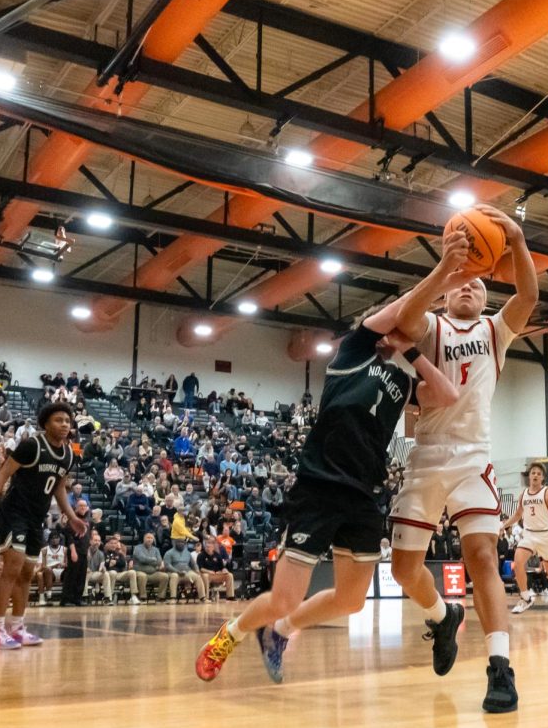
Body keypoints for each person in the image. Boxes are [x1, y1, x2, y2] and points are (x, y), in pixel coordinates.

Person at [195, 243, 464, 689]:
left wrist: (413, 352)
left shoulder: (404, 379)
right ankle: (230, 637)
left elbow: (448, 396)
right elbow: (401, 307)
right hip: (319, 485)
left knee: (351, 600)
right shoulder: (353, 352)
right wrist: (445, 277)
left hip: (363, 494)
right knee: (284, 598)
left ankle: (278, 635)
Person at [383, 205, 538, 713]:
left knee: (483, 559)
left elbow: (529, 295)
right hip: (426, 457)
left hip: (474, 459)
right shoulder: (430, 324)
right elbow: (404, 317)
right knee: (405, 571)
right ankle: (442, 616)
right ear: (449, 291)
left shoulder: (496, 331)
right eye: (461, 285)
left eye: (477, 284)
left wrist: (515, 240)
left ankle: (500, 668)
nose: (469, 289)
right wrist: (445, 270)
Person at [0, 402, 85, 649]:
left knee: (27, 573)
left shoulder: (68, 454)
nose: (65, 425)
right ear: (46, 423)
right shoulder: (32, 445)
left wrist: (72, 515)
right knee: (12, 568)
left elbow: (58, 487)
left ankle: (17, 626)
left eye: (67, 421)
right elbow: (3, 475)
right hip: (15, 512)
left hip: (37, 517)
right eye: (59, 420)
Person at [499, 463, 548, 617]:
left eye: (538, 473)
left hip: (545, 536)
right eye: (533, 473)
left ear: (542, 477)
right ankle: (525, 597)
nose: (535, 475)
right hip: (529, 535)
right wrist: (503, 526)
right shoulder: (523, 494)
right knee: (517, 563)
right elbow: (517, 515)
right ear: (529, 476)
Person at [132, 532, 170, 602]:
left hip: (153, 573)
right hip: (140, 571)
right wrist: (153, 559)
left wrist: (150, 561)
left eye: (151, 538)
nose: (149, 539)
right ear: (144, 539)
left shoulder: (156, 549)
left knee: (164, 576)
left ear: (153, 540)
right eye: (148, 538)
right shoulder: (137, 548)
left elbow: (159, 561)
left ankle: (161, 597)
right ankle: (142, 597)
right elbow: (141, 559)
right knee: (142, 576)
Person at [35, 531, 68, 606]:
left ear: (59, 539)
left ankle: (69, 597)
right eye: (52, 538)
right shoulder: (44, 550)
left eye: (56, 538)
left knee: (70, 571)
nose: (54, 540)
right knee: (48, 570)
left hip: (62, 571)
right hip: (49, 572)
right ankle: (49, 594)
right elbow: (42, 565)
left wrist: (63, 565)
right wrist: (53, 566)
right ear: (49, 540)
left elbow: (67, 564)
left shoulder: (65, 549)